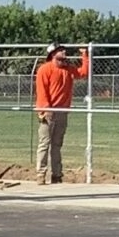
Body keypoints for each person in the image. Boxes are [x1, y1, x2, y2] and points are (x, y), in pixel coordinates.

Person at [33, 42, 89, 183]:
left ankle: (57, 174)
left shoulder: (68, 69)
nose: (64, 52)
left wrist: (84, 55)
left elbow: (83, 72)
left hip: (62, 112)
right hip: (48, 112)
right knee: (44, 143)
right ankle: (41, 174)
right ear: (53, 54)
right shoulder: (44, 69)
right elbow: (42, 91)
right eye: (60, 50)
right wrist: (46, 109)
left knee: (57, 144)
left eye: (64, 50)